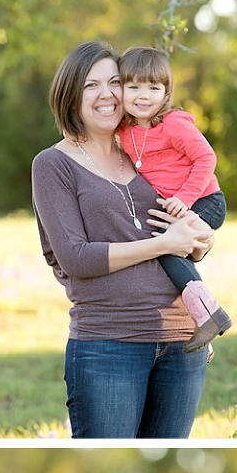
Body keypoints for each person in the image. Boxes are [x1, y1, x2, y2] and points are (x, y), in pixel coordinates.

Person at [31, 41, 217, 440]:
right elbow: (77, 258)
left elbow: (181, 229)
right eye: (91, 85)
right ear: (70, 94)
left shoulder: (142, 152)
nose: (108, 94)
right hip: (109, 343)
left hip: (181, 341)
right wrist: (166, 244)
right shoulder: (52, 165)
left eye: (115, 81)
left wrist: (200, 241)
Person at [118, 45, 232, 350]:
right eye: (134, 87)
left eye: (153, 88)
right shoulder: (124, 130)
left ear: (166, 92)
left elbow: (206, 159)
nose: (143, 96)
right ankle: (203, 315)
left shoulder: (174, 125)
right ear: (121, 89)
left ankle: (208, 314)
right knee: (162, 247)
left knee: (167, 246)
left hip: (205, 200)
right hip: (177, 206)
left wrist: (184, 197)